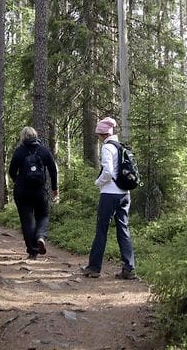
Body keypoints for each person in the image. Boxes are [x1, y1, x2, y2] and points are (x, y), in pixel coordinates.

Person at [81, 117, 136, 279]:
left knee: (101, 230)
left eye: (98, 135)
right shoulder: (121, 147)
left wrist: (98, 183)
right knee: (123, 229)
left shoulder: (107, 148)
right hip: (125, 194)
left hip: (109, 194)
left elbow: (108, 172)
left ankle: (94, 268)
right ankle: (129, 268)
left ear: (102, 134)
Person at [8, 126, 59, 260]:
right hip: (39, 191)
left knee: (27, 220)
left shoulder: (19, 151)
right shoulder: (44, 150)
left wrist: (17, 181)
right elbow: (53, 170)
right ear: (36, 135)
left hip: (22, 191)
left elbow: (12, 171)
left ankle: (32, 252)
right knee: (43, 215)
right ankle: (41, 236)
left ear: (23, 137)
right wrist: (54, 188)